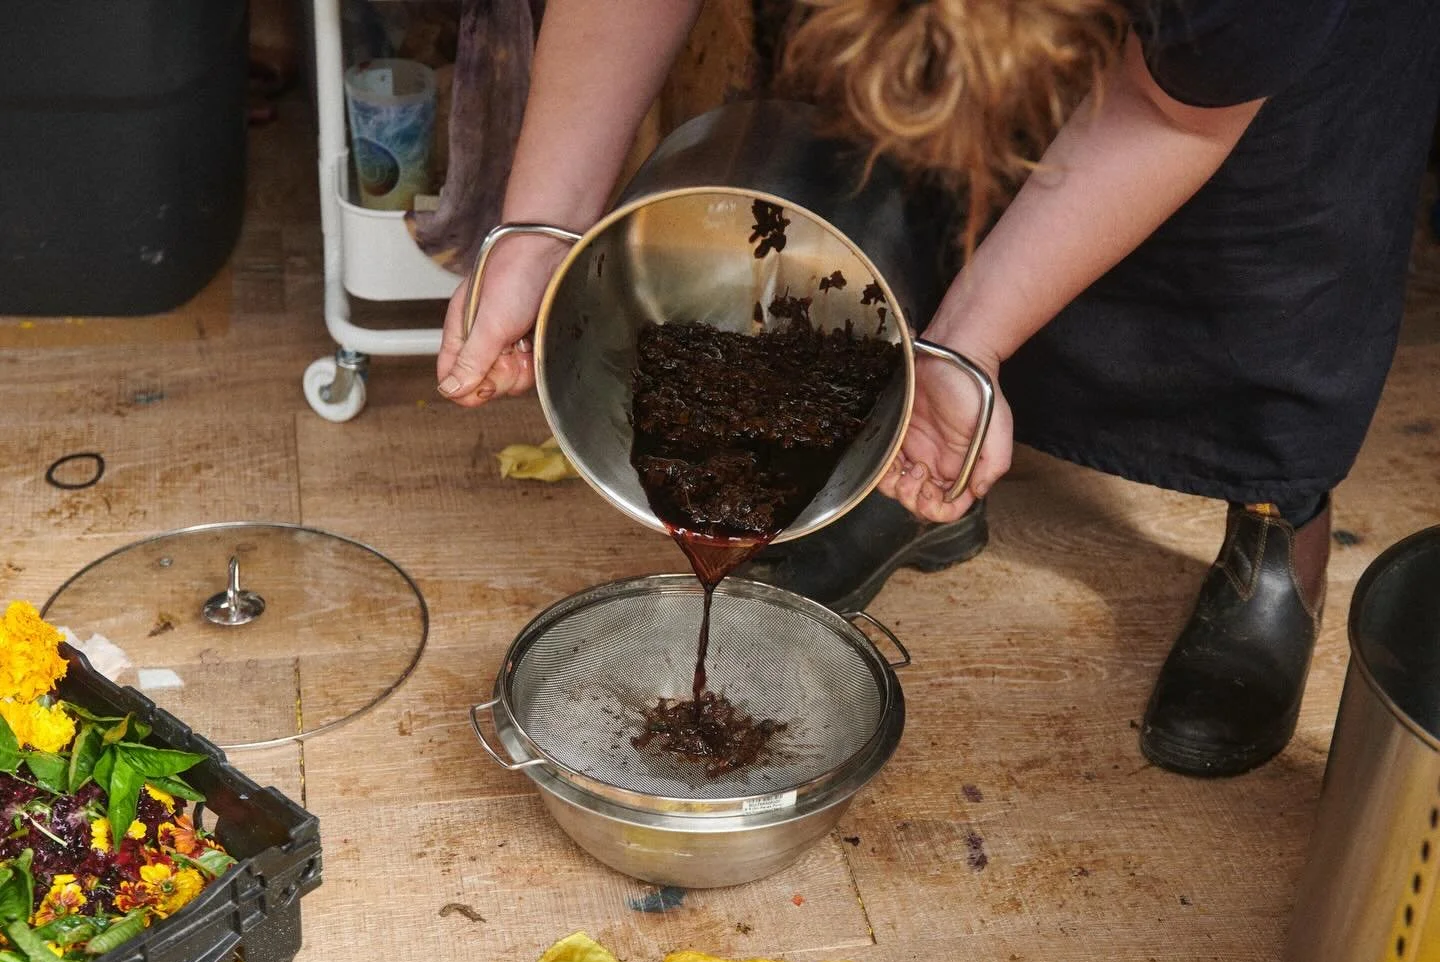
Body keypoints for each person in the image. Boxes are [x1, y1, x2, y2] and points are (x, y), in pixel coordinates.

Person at [435, 0, 1440, 777]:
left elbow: (1170, 111)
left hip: (1255, 90)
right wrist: (541, 233)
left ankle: (1275, 519)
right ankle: (910, 454)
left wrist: (977, 341)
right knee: (891, 173)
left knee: (1267, 241)